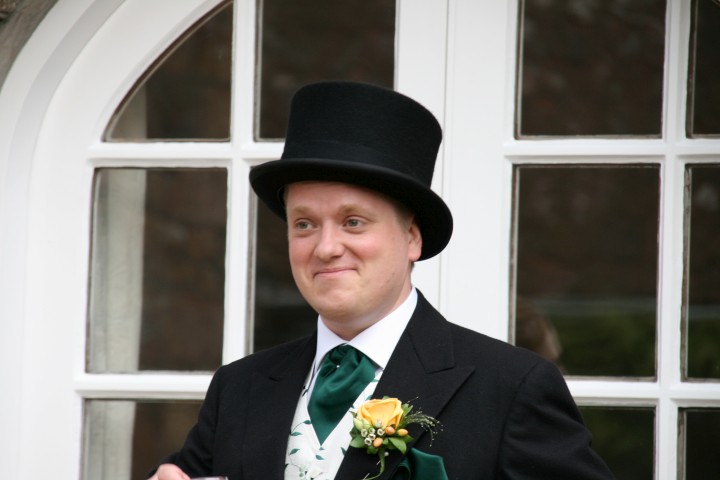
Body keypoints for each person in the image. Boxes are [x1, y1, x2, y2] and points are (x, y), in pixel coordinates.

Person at [149, 81, 614, 480]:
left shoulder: (510, 388)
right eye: (304, 224)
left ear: (411, 237)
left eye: (353, 222)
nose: (325, 247)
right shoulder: (239, 387)